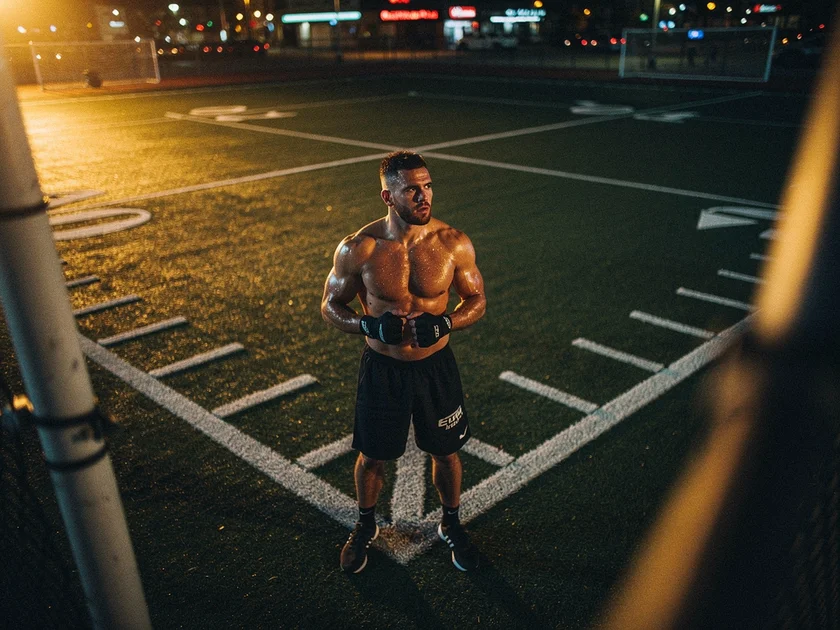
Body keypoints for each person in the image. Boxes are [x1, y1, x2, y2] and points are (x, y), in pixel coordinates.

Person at [321, 150, 487, 573]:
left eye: (427, 186)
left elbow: (477, 300)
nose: (423, 196)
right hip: (383, 370)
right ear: (387, 195)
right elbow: (329, 305)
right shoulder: (360, 248)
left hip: (435, 368)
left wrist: (446, 321)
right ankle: (364, 526)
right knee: (372, 456)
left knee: (446, 452)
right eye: (411, 189)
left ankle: (451, 524)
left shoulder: (453, 243)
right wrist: (368, 327)